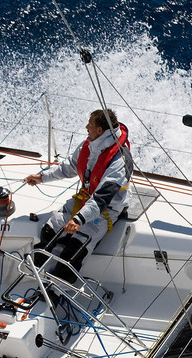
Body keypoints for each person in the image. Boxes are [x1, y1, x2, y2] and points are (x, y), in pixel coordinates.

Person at [22, 108, 131, 283]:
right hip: (83, 201)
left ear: (100, 130)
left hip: (105, 211)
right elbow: (69, 167)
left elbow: (102, 199)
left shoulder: (119, 160)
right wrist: (42, 177)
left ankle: (58, 289)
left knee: (74, 251)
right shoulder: (90, 144)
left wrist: (78, 219)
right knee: (49, 230)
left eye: (90, 124)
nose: (86, 126)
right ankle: (44, 275)